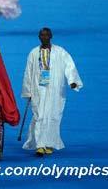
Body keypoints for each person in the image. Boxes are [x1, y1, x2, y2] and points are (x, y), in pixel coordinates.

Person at [21, 28, 83, 156]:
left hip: (55, 89)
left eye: (46, 35)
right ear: (39, 37)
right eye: (42, 35)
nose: (44, 37)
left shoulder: (60, 52)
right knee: (39, 115)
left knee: (53, 116)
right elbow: (28, 73)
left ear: (51, 36)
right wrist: (27, 91)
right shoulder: (33, 53)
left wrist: (72, 81)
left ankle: (49, 143)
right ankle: (40, 145)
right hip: (38, 88)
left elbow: (69, 66)